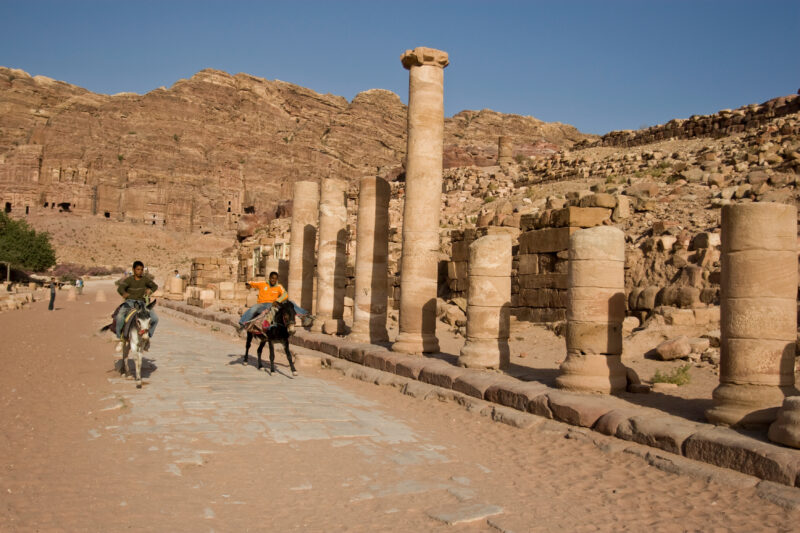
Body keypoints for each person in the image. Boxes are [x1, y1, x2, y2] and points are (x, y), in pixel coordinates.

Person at [237, 271, 311, 331]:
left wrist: (278, 301)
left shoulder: (279, 286)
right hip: (262, 304)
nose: (273, 280)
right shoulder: (263, 284)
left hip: (273, 304)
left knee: (290, 303)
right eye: (272, 278)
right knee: (254, 308)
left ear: (277, 279)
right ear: (269, 278)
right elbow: (252, 283)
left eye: (275, 279)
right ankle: (242, 323)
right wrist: (248, 284)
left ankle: (304, 315)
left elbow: (285, 294)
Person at [115, 261, 159, 348]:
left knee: (155, 319)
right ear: (133, 270)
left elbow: (155, 286)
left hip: (142, 303)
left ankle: (147, 338)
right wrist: (125, 294)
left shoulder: (145, 280)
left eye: (141, 269)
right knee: (120, 317)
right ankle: (120, 339)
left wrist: (149, 291)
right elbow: (120, 289)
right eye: (138, 269)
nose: (140, 271)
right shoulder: (129, 280)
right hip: (130, 302)